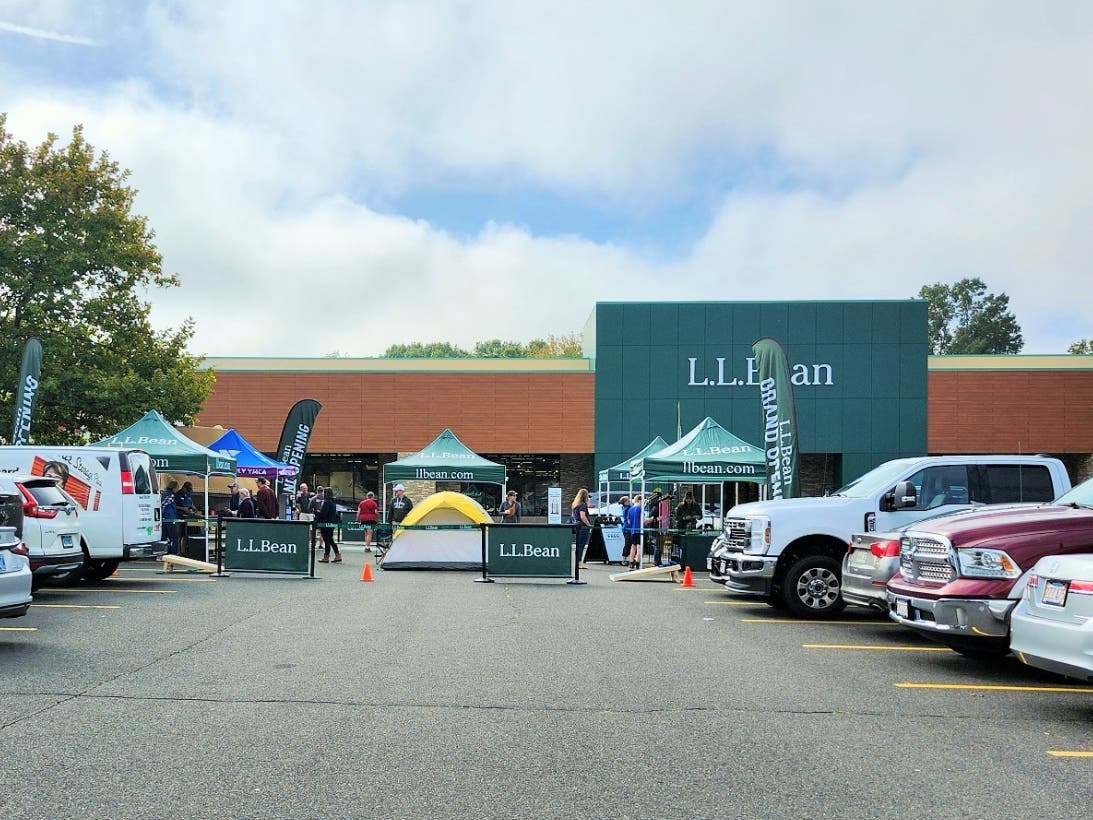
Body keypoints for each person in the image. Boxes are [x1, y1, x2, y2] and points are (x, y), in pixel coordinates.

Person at [315, 487, 342, 563]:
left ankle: (326, 557)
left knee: (327, 540)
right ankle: (337, 555)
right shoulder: (333, 502)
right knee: (330, 539)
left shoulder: (327, 502)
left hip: (325, 523)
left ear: (326, 493)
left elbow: (324, 513)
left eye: (324, 492)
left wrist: (317, 513)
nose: (323, 494)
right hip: (332, 523)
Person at [570, 487, 592, 570]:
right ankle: (579, 563)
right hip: (582, 527)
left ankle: (578, 562)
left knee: (578, 545)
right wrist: (589, 525)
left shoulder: (575, 504)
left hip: (576, 526)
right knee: (581, 546)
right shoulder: (582, 505)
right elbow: (583, 517)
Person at [625, 492, 643, 569]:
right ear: (639, 500)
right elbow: (643, 520)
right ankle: (638, 562)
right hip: (639, 529)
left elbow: (628, 521)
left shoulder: (630, 509)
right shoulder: (640, 508)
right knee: (639, 547)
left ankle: (631, 562)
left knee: (633, 546)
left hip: (632, 530)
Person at [161, 479, 179, 555]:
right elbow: (163, 504)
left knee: (163, 537)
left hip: (164, 519)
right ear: (174, 488)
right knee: (174, 537)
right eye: (177, 487)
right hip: (169, 519)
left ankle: (161, 554)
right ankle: (174, 554)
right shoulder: (170, 495)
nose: (178, 489)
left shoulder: (164, 494)